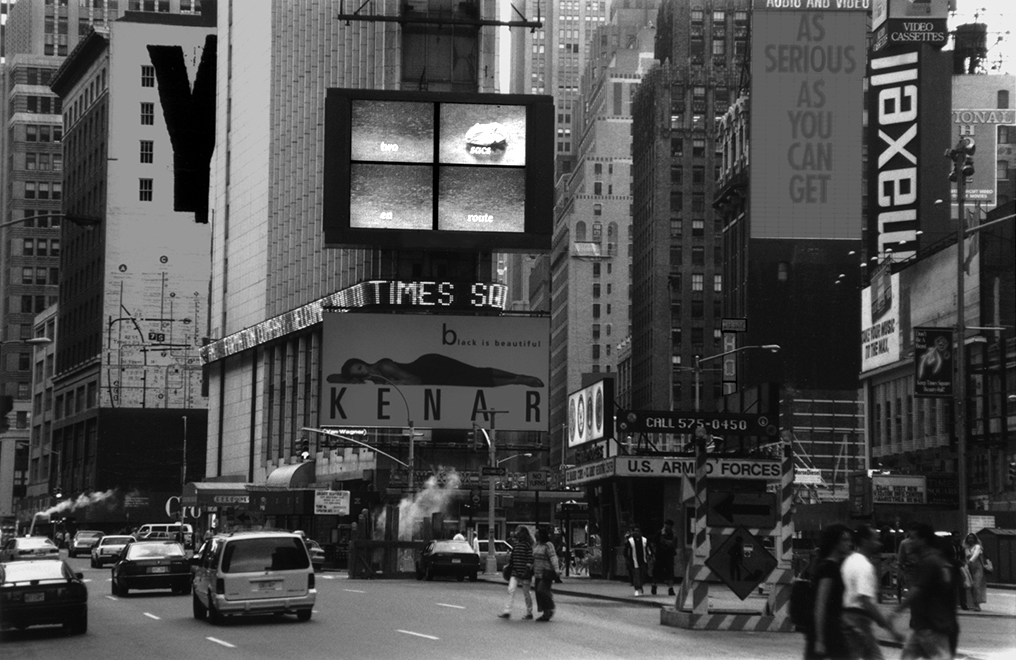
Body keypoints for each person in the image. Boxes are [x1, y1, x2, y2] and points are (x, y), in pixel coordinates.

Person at [890, 523, 959, 660]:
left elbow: (916, 591)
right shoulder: (931, 559)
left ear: (923, 540)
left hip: (932, 626)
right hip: (923, 625)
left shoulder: (929, 561)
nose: (910, 542)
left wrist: (895, 611)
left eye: (913, 538)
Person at [841, 525, 903, 660]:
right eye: (875, 540)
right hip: (858, 620)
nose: (879, 544)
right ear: (864, 541)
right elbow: (866, 601)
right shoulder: (864, 566)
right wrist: (889, 629)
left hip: (848, 617)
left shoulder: (850, 560)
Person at [327, 355, 544, 388]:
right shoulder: (376, 379)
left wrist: (394, 385)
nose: (362, 372)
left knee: (475, 374)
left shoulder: (383, 367)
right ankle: (518, 379)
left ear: (362, 362)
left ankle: (519, 378)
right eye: (358, 374)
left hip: (431, 368)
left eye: (359, 367)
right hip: (433, 373)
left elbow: (414, 379)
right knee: (475, 379)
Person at [805, 523, 853, 660]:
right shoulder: (829, 568)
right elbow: (820, 605)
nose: (850, 544)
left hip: (829, 629)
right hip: (828, 632)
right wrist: (820, 640)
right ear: (835, 543)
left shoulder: (828, 565)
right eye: (845, 540)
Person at [498, 526, 534, 620]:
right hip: (515, 572)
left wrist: (527, 569)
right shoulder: (516, 545)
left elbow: (530, 559)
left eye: (519, 532)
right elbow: (512, 559)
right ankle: (507, 611)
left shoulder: (527, 545)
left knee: (527, 594)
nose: (517, 534)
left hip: (524, 573)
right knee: (511, 590)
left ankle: (529, 612)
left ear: (523, 534)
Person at [532, 528, 560, 621]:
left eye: (537, 534)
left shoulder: (548, 545)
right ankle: (545, 613)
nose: (535, 535)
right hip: (537, 573)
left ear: (542, 535)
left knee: (542, 590)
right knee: (539, 594)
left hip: (546, 573)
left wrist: (556, 569)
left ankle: (550, 608)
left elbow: (553, 557)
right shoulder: (537, 545)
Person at [651, 519, 677, 596]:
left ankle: (671, 589)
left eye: (668, 525)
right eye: (665, 524)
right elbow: (653, 543)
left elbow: (675, 544)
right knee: (656, 571)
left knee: (670, 572)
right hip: (659, 555)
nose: (666, 526)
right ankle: (654, 586)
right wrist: (653, 554)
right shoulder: (660, 533)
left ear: (671, 526)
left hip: (669, 555)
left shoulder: (673, 534)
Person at [624, 526, 651, 597]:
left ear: (641, 532)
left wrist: (650, 556)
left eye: (638, 531)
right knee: (636, 575)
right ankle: (637, 588)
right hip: (634, 561)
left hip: (643, 560)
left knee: (643, 574)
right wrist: (627, 559)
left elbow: (648, 549)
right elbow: (626, 551)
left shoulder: (645, 540)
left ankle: (640, 586)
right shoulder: (630, 541)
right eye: (635, 531)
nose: (636, 533)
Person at [963, 533, 987, 612]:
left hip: (977, 568)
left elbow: (975, 555)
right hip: (969, 568)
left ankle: (977, 604)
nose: (970, 539)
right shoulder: (966, 547)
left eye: (972, 538)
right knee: (971, 585)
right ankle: (973, 603)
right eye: (969, 538)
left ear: (975, 539)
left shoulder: (977, 547)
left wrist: (969, 562)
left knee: (976, 585)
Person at [896, 525, 919, 601]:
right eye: (912, 530)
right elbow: (900, 559)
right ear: (909, 531)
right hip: (909, 570)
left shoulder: (921, 542)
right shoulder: (904, 543)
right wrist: (899, 573)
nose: (914, 533)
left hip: (921, 569)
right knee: (912, 591)